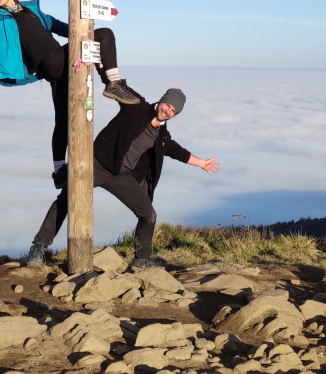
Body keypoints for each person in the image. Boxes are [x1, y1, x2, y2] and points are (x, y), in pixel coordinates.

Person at [0, 0, 139, 188]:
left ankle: (59, 170)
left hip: (58, 69)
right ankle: (113, 84)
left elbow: (68, 29)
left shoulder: (34, 12)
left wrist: (87, 28)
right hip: (51, 62)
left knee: (62, 120)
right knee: (106, 34)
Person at [27, 86, 220, 271]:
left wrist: (202, 163)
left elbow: (178, 152)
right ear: (162, 100)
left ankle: (142, 260)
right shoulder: (137, 107)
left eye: (173, 111)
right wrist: (105, 67)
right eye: (168, 105)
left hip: (121, 176)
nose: (168, 111)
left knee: (148, 215)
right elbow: (118, 87)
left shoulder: (162, 136)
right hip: (97, 164)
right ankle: (39, 248)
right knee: (66, 198)